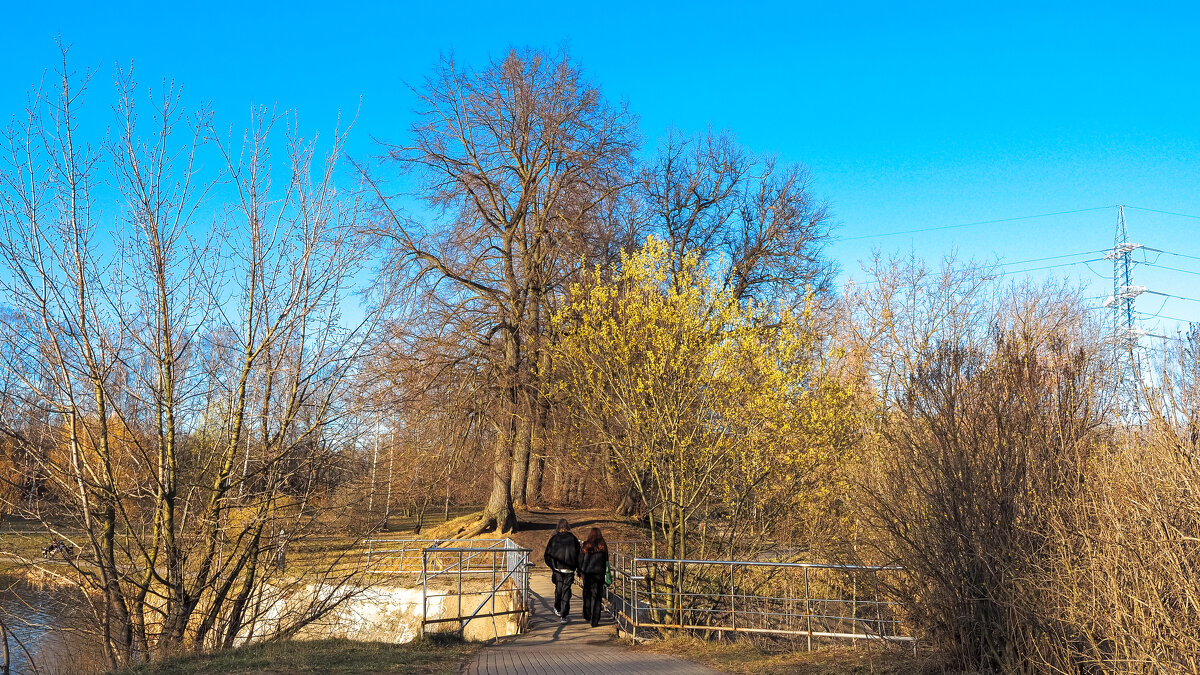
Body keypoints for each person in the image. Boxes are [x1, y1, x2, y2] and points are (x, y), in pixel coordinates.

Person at [543, 518, 581, 623]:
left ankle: (557, 607)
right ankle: (564, 615)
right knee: (566, 591)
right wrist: (579, 569)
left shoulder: (554, 539)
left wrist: (552, 565)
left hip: (557, 568)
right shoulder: (573, 539)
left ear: (558, 527)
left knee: (559, 588)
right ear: (568, 527)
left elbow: (547, 555)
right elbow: (579, 555)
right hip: (569, 569)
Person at [579, 527, 609, 628]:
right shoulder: (603, 546)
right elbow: (606, 560)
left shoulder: (585, 545)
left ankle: (587, 614)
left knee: (587, 594)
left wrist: (580, 572)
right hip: (599, 574)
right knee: (597, 597)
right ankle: (595, 620)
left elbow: (580, 560)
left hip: (587, 573)